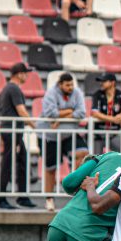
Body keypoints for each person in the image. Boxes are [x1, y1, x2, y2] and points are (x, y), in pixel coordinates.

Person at [39, 73, 88, 212]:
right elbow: (50, 113)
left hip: (70, 133)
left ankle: (77, 194)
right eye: (67, 85)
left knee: (83, 154)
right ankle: (49, 199)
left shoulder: (77, 92)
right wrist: (70, 111)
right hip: (50, 135)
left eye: (72, 84)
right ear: (60, 84)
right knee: (50, 168)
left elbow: (81, 113)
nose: (70, 87)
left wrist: (60, 118)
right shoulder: (51, 93)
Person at [0, 62, 35, 210]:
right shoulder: (13, 88)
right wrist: (35, 126)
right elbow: (21, 111)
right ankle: (0, 199)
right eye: (25, 73)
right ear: (19, 74)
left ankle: (22, 196)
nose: (27, 76)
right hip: (12, 131)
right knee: (8, 164)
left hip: (12, 131)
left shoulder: (8, 88)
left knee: (22, 162)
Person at [90, 73, 121, 155]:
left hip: (113, 134)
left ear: (112, 82)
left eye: (104, 81)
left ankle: (119, 168)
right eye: (101, 81)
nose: (101, 83)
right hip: (98, 134)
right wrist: (113, 119)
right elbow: (94, 113)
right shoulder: (97, 94)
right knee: (95, 158)